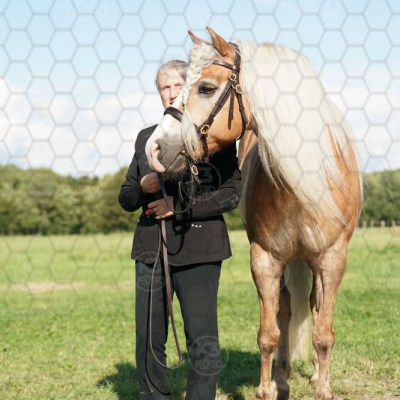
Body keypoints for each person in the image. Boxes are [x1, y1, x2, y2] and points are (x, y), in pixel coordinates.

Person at [118, 59, 241, 400]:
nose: (171, 92)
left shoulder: (215, 136)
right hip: (150, 250)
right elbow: (125, 198)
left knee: (201, 338)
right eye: (165, 87)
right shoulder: (147, 138)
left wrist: (179, 206)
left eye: (177, 85)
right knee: (148, 337)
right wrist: (143, 186)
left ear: (189, 90)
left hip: (199, 248)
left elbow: (232, 193)